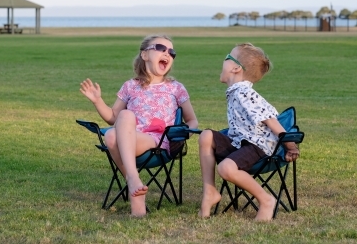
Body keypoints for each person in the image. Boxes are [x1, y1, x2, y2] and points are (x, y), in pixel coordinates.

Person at [80, 35, 198, 217]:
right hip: (130, 137)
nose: (167, 53)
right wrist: (97, 101)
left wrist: (181, 135)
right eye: (161, 48)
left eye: (172, 52)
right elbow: (112, 118)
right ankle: (135, 189)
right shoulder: (130, 86)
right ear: (144, 55)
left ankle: (131, 179)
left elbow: (192, 121)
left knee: (115, 132)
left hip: (159, 142)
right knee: (115, 130)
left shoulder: (176, 88)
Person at [198, 42, 300, 221]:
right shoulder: (236, 92)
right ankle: (210, 191)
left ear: (236, 68)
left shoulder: (244, 93)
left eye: (227, 57)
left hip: (257, 146)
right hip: (241, 143)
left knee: (225, 168)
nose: (223, 60)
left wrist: (291, 146)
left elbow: (271, 121)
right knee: (206, 135)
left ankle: (266, 200)